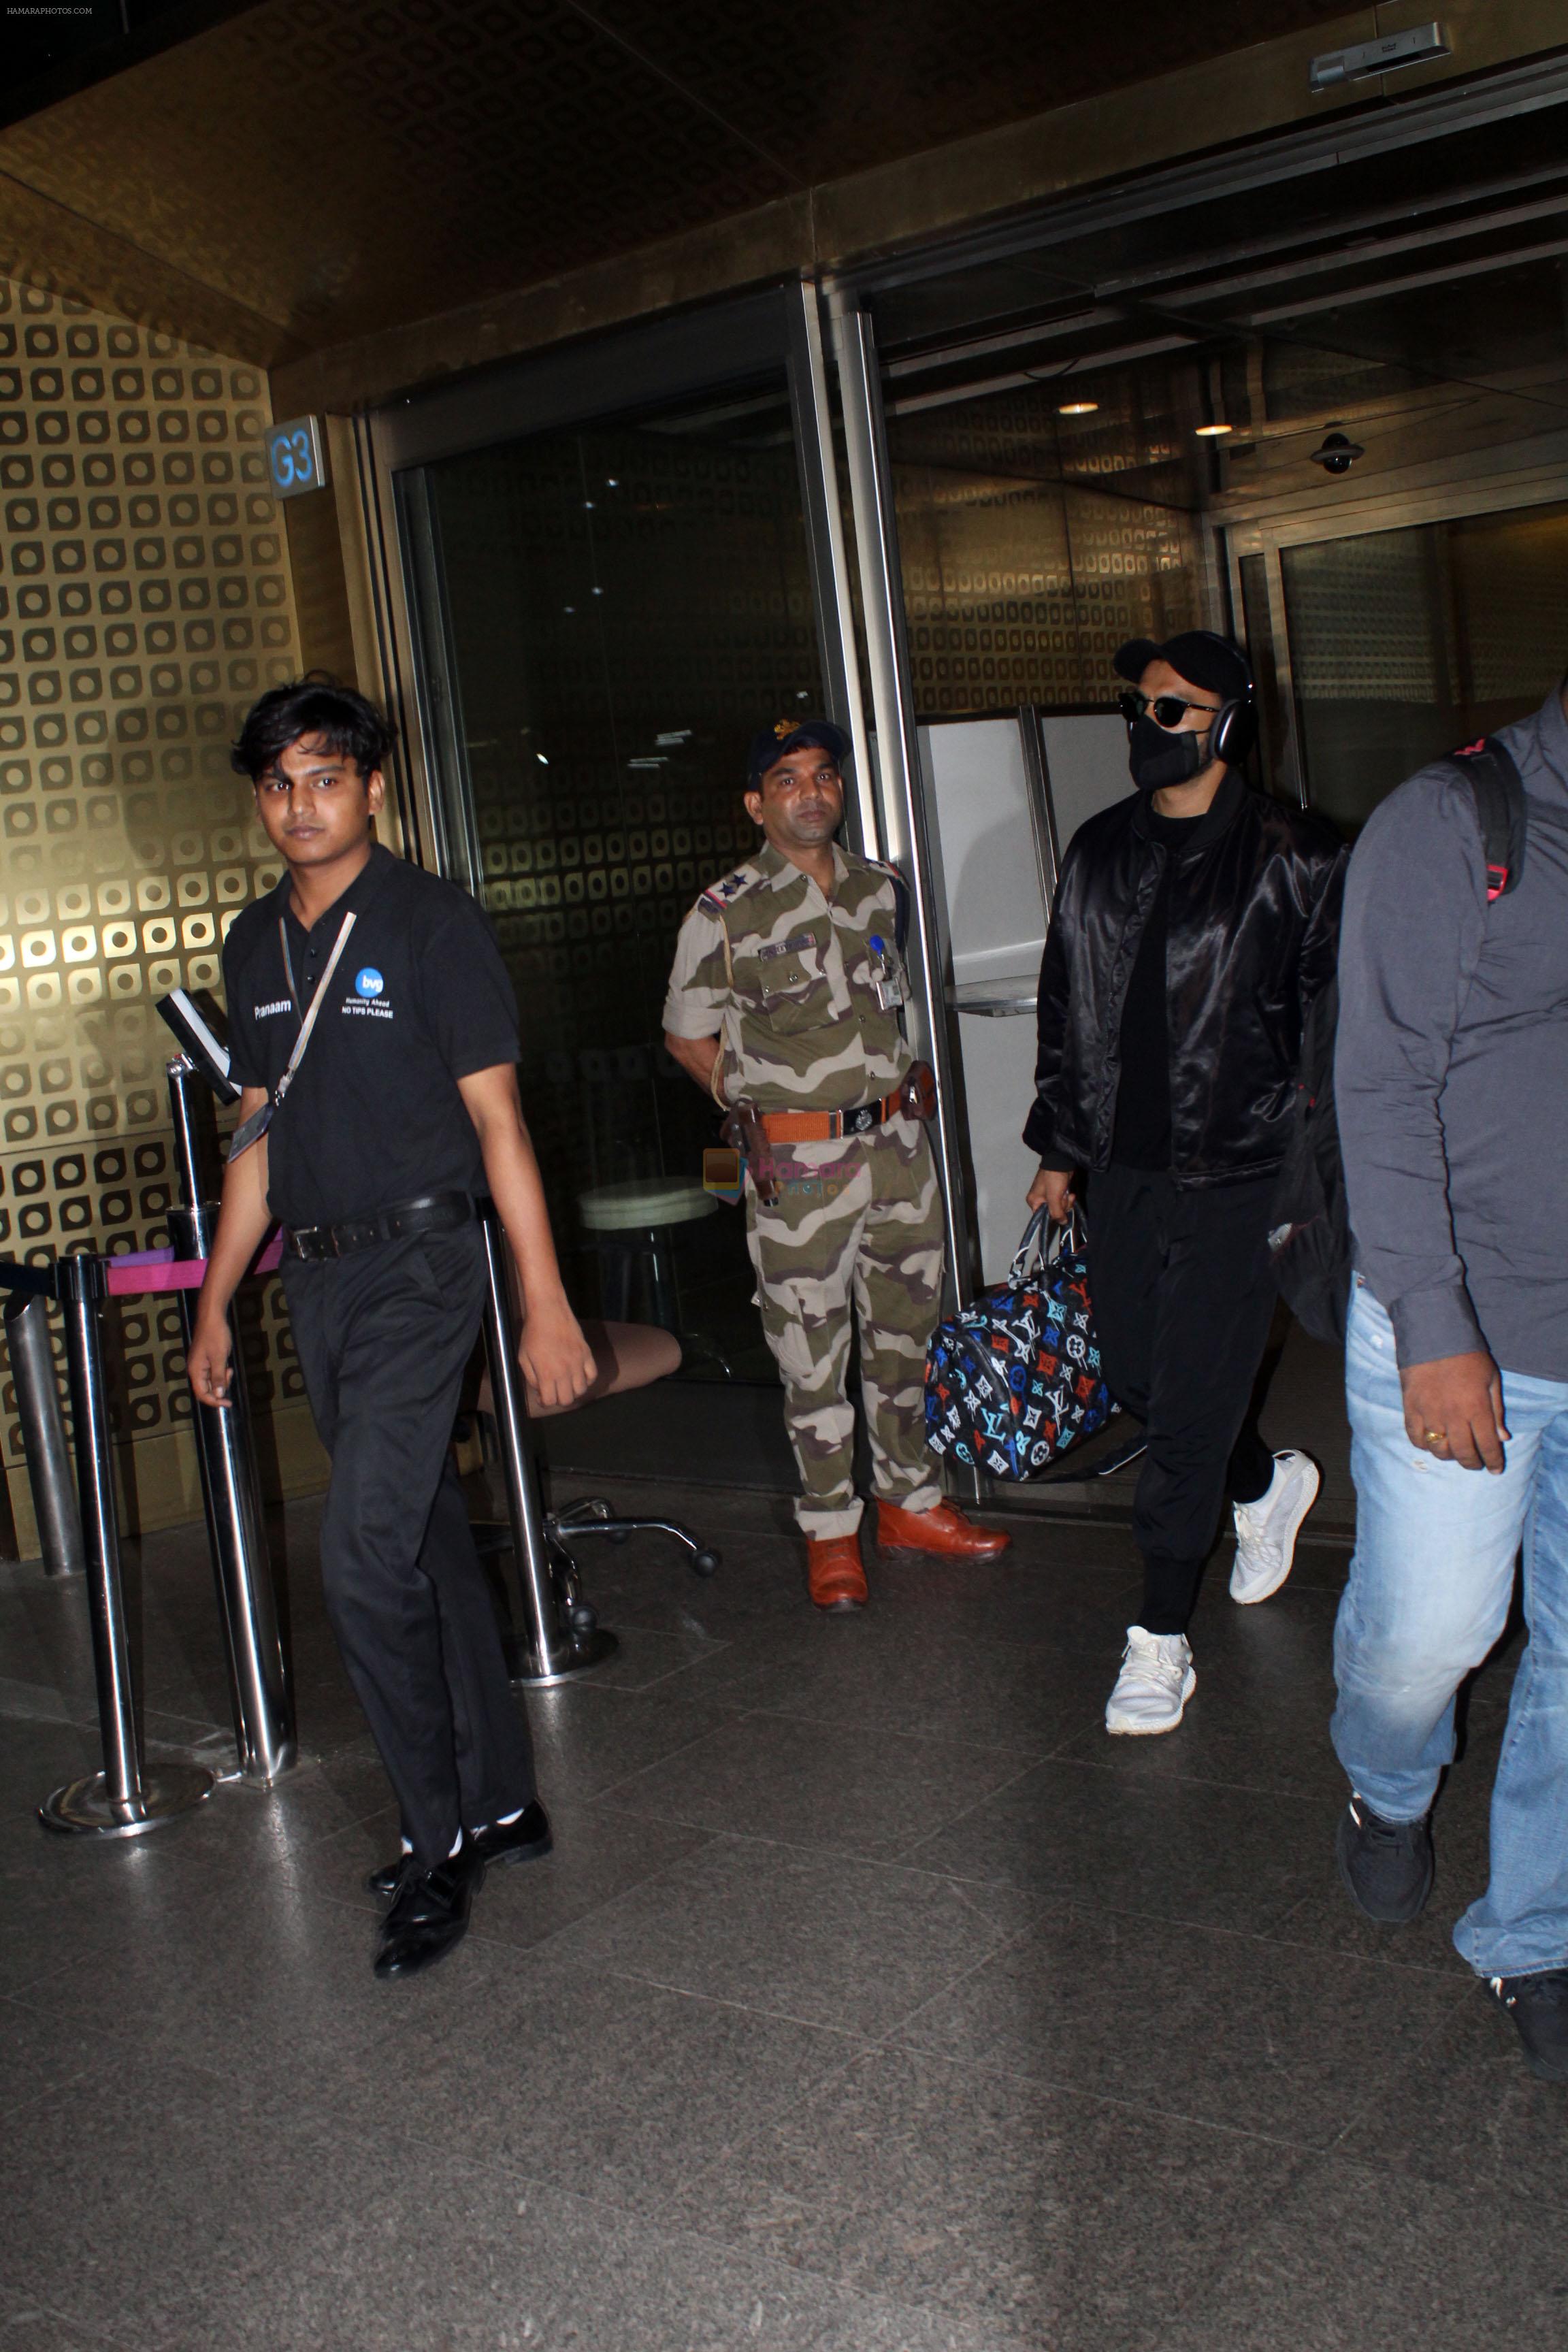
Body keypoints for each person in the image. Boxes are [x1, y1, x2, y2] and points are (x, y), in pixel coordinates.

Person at [189, 678, 595, 1981]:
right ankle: (503, 1801)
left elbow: (499, 1127)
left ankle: (435, 1847)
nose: (301, 802)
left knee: (360, 1558)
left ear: (371, 787)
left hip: (427, 1266)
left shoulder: (431, 924)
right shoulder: (255, 946)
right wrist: (216, 1307)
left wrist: (540, 1299)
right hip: (318, 1278)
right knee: (418, 1533)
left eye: (326, 776)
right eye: (279, 782)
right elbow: (257, 1136)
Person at [1025, 632, 1344, 1734]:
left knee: (1190, 1406)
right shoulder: (1099, 850)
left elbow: (1327, 1039)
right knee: (1138, 1383)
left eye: (1171, 710)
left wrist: (1319, 1182)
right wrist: (1061, 1149)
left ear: (1226, 724)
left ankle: (1159, 1637)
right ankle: (1264, 1483)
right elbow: (1065, 1005)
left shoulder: (1296, 855)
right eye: (1140, 706)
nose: (1144, 726)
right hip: (1124, 1166)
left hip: (1245, 1172)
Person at [1330, 674, 1568, 2085]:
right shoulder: (1456, 820)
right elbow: (1381, 1081)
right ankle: (1384, 1783)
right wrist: (1432, 1321)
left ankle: (1533, 1931)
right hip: (1463, 1318)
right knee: (1432, 1641)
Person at [662, 717, 1009, 1610]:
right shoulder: (725, 911)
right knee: (811, 1351)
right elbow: (684, 1033)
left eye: (824, 775)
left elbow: (893, 1003)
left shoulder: (881, 889)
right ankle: (829, 1530)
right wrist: (749, 1110)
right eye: (788, 779)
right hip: (800, 1164)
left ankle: (910, 1505)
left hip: (898, 1148)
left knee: (906, 1339)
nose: (812, 792)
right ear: (756, 802)